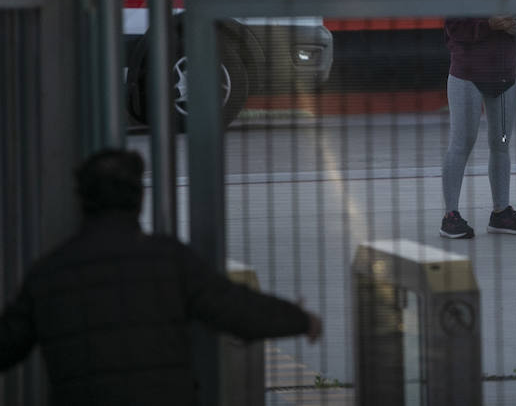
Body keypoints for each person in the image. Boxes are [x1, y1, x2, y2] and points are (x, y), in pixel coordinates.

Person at [0, 149, 321, 405]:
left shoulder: (48, 273)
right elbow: (236, 309)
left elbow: (8, 341)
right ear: (138, 198)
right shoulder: (169, 259)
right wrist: (300, 319)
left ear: (82, 199)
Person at [440, 0, 516, 238]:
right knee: (462, 142)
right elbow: (455, 28)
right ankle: (451, 214)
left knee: (501, 144)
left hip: (505, 76)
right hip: (468, 74)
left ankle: (500, 211)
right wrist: (492, 25)